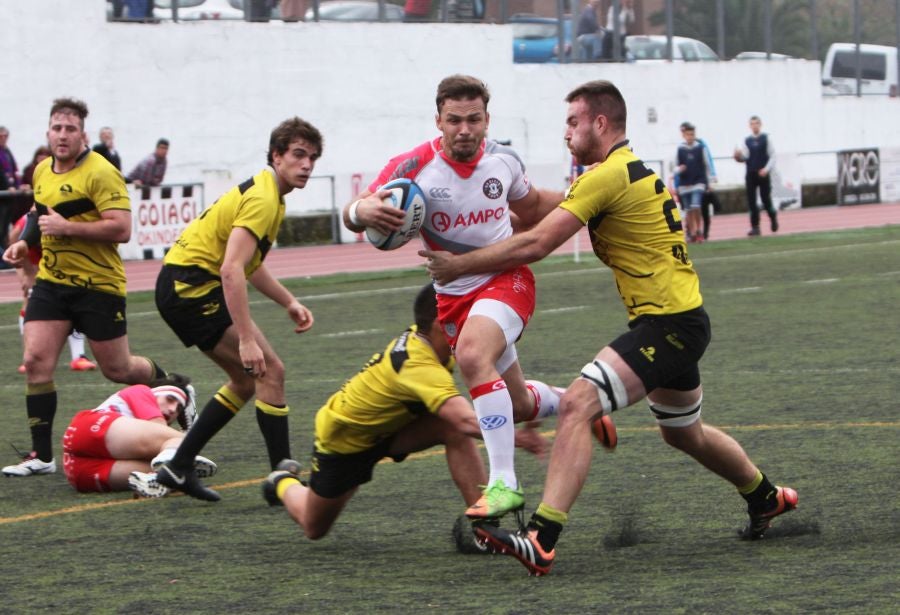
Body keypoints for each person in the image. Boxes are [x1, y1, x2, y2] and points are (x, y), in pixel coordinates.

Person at [423, 80, 798, 576]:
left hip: (667, 325)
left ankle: (541, 537)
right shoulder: (625, 171)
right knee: (685, 434)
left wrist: (460, 264)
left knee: (579, 403)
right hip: (681, 321)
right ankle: (767, 496)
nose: (566, 132)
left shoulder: (605, 175)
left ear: (599, 124)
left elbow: (536, 244)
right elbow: (537, 212)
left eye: (572, 122)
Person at [343, 75, 607, 523]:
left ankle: (504, 484)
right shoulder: (412, 166)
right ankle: (574, 401)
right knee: (518, 403)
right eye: (454, 120)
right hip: (453, 298)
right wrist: (359, 211)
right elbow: (358, 211)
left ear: (487, 119)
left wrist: (592, 196)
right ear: (438, 121)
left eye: (473, 119)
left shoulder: (503, 161)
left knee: (469, 353)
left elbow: (529, 208)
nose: (464, 129)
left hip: (508, 281)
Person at [262, 283, 548, 543]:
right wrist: (516, 437)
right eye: (460, 317)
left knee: (452, 428)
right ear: (440, 324)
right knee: (314, 526)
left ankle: (484, 529)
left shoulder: (429, 341)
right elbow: (465, 417)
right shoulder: (419, 365)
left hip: (395, 428)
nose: (468, 324)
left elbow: (458, 421)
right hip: (345, 441)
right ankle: (281, 481)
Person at [1, 98, 184, 478]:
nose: (62, 135)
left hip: (98, 285)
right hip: (52, 282)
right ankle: (42, 455)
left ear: (83, 134)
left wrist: (68, 228)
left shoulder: (101, 171)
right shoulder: (41, 171)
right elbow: (39, 214)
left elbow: (121, 228)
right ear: (47, 132)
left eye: (70, 129)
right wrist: (25, 243)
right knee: (36, 362)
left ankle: (175, 385)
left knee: (118, 368)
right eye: (56, 128)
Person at [154, 117, 321, 502]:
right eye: (298, 154)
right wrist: (246, 339)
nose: (307, 164)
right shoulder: (264, 198)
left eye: (312, 158)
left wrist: (288, 301)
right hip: (190, 287)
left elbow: (248, 263)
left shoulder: (268, 193)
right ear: (276, 155)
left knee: (247, 380)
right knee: (269, 370)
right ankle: (283, 480)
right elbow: (231, 270)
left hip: (183, 284)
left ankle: (178, 467)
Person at [62, 381, 208, 497]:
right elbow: (169, 435)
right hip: (89, 427)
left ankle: (156, 480)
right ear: (155, 393)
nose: (172, 409)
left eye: (178, 409)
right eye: (170, 399)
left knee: (172, 474)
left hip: (78, 473)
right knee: (185, 446)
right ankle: (171, 468)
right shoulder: (142, 391)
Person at [9, 213, 98, 373]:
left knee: (72, 294)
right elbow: (14, 240)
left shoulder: (66, 217)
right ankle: (28, 358)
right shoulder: (25, 225)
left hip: (62, 250)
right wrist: (25, 275)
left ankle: (79, 357)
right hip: (32, 250)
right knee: (29, 295)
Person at [734, 115, 778, 237]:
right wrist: (738, 157)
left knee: (765, 199)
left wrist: (766, 169)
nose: (754, 126)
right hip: (751, 173)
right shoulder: (747, 140)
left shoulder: (766, 138)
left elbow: (773, 155)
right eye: (752, 124)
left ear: (760, 124)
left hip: (763, 173)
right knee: (752, 201)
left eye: (756, 123)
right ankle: (755, 227)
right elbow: (745, 157)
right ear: (749, 126)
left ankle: (772, 216)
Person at [673, 121, 714, 243]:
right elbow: (674, 167)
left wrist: (709, 181)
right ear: (684, 135)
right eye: (687, 134)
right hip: (684, 184)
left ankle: (698, 230)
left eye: (692, 134)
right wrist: (679, 170)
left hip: (698, 182)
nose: (690, 137)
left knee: (696, 206)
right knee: (688, 210)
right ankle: (691, 232)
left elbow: (707, 165)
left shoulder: (700, 148)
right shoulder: (680, 149)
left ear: (694, 135)